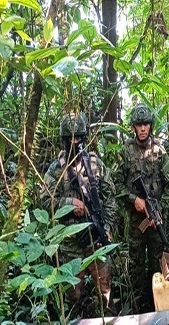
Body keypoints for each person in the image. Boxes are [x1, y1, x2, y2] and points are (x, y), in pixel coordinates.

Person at [41, 112, 118, 306]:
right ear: (64, 140)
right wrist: (68, 204)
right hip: (70, 243)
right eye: (70, 138)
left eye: (79, 138)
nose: (75, 142)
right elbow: (44, 202)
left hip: (96, 240)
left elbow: (110, 199)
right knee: (73, 295)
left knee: (105, 289)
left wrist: (106, 229)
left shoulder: (96, 166)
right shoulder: (56, 170)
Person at [113, 103, 169, 311]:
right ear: (133, 127)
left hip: (155, 219)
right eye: (139, 124)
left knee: (157, 262)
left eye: (146, 124)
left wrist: (160, 209)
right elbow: (115, 184)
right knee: (136, 263)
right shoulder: (126, 151)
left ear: (151, 126)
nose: (142, 129)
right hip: (136, 221)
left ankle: (157, 302)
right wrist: (134, 199)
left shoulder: (160, 151)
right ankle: (138, 303)